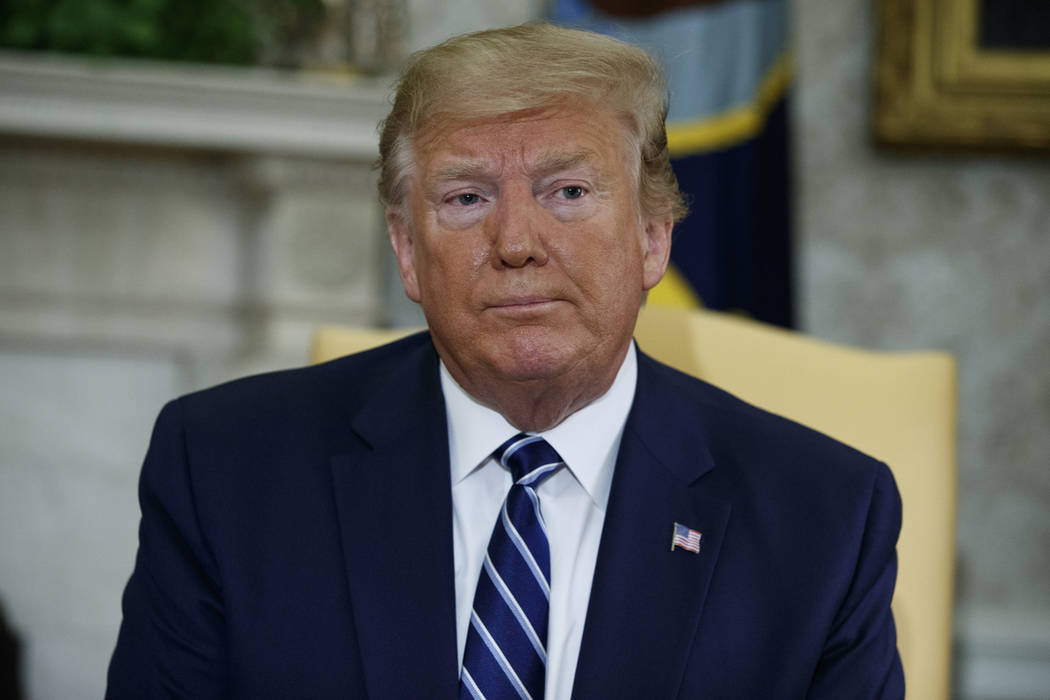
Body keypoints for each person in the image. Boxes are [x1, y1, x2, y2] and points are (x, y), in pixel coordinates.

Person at [106, 23, 904, 699]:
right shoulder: (224, 468)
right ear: (407, 252)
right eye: (467, 198)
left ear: (653, 236)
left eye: (568, 192)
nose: (516, 243)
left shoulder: (824, 518)